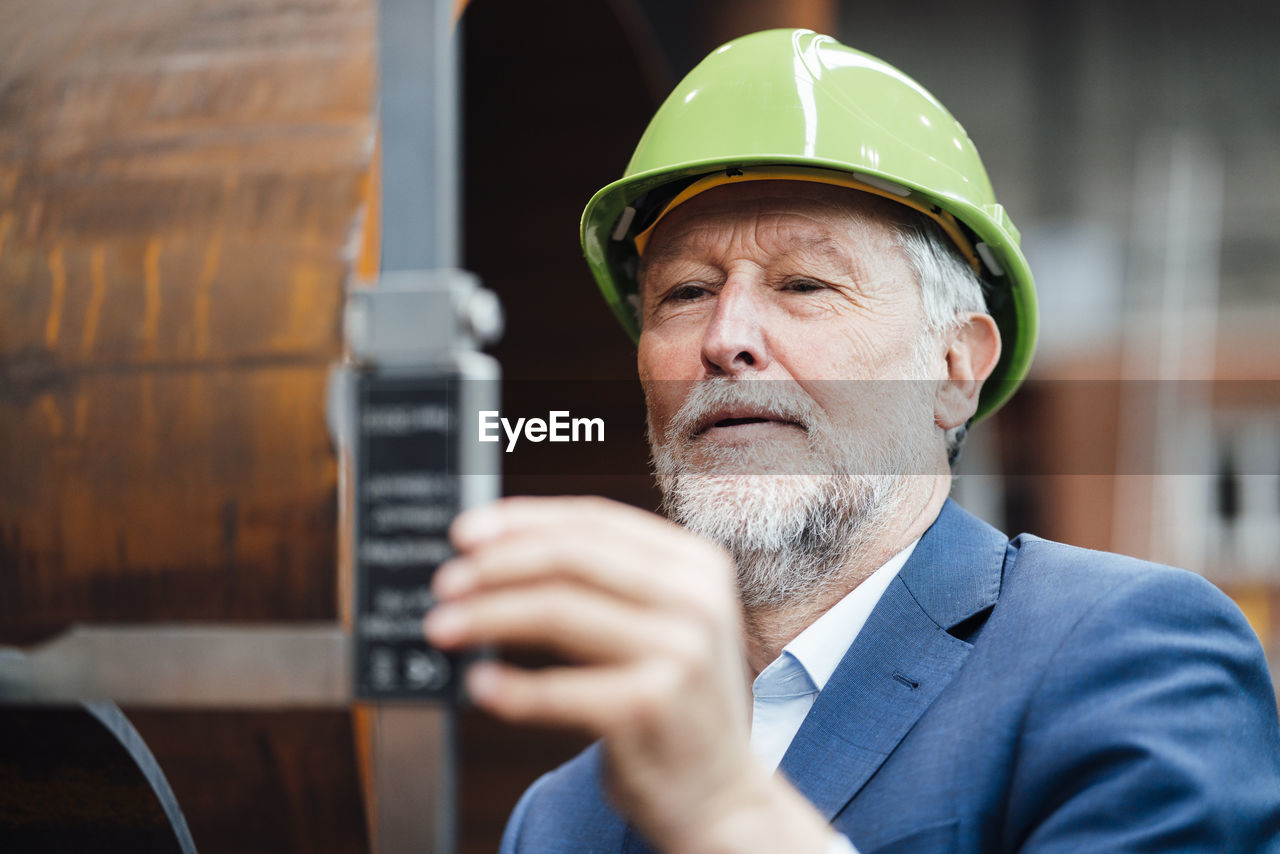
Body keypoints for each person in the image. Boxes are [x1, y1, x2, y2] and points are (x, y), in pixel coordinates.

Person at [423, 29, 1280, 853]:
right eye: (685, 293)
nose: (726, 338)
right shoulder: (562, 820)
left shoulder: (1126, 656)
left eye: (804, 283)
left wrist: (729, 816)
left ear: (954, 368)